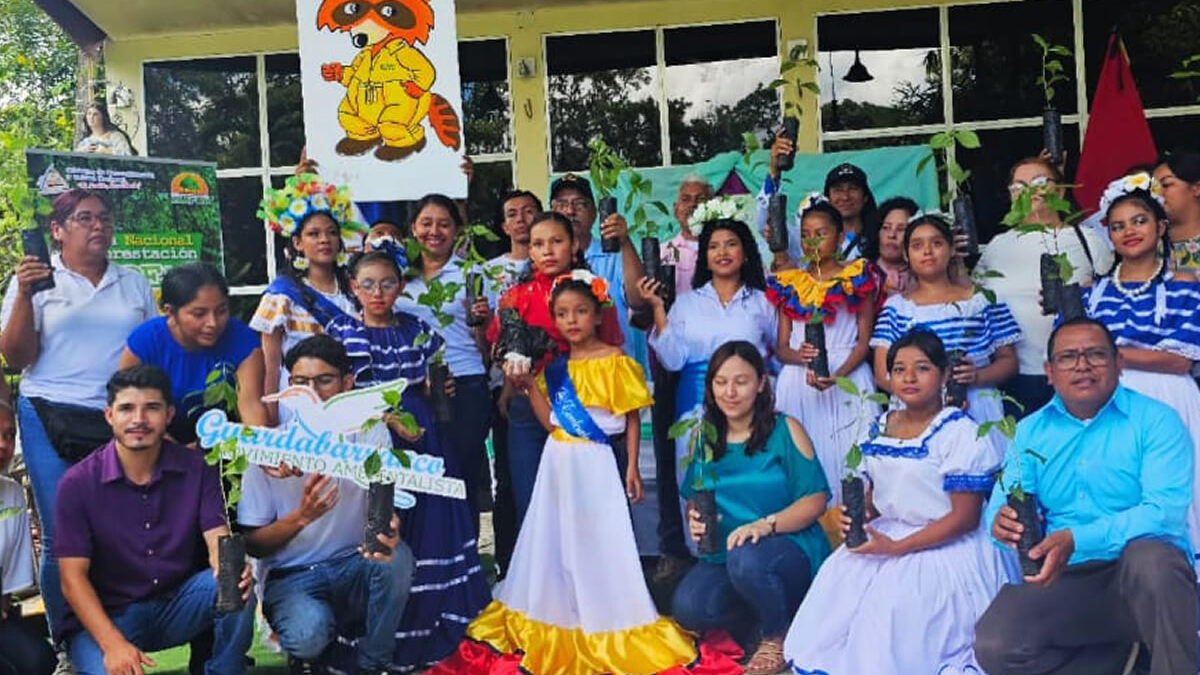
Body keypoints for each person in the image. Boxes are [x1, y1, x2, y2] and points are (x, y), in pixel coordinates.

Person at [431, 274, 741, 675]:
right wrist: (528, 387)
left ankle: (604, 610)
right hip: (558, 462)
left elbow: (630, 417)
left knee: (599, 539)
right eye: (562, 314)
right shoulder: (557, 368)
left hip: (596, 464)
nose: (571, 320)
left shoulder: (616, 360)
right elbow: (552, 424)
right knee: (555, 537)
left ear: (597, 315)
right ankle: (559, 606)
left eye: (580, 312)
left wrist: (630, 465)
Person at [975, 318, 1197, 675]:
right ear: (1048, 371)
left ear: (1118, 364)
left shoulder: (1157, 421)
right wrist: (1000, 523)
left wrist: (1077, 538)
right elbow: (1005, 501)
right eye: (1067, 357)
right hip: (1068, 576)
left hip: (1139, 574)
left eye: (1095, 354)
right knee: (997, 643)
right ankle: (1119, 658)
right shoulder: (1031, 430)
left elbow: (1164, 513)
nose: (1082, 365)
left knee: (1154, 563)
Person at [784, 329, 1011, 674]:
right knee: (837, 599)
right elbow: (881, 495)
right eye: (900, 369)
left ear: (944, 374)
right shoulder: (878, 427)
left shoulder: (957, 431)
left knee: (892, 612)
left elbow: (965, 518)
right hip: (888, 535)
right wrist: (860, 514)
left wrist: (897, 547)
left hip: (943, 544)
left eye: (922, 368)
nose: (909, 377)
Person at [0, 188, 158, 644]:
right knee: (62, 533)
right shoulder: (38, 281)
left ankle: (118, 634)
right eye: (85, 218)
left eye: (104, 219)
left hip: (118, 418)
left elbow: (147, 354)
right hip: (48, 411)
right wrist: (26, 293)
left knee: (120, 528)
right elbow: (15, 358)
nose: (98, 226)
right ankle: (66, 642)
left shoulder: (133, 282)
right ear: (57, 230)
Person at [325, 250, 489, 671]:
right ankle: (378, 631)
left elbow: (438, 370)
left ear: (400, 286)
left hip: (426, 433)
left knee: (434, 520)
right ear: (352, 287)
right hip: (373, 436)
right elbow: (348, 394)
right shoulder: (344, 331)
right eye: (367, 284)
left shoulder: (417, 328)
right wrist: (391, 418)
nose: (377, 293)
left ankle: (434, 616)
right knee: (384, 523)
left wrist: (443, 388)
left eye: (387, 283)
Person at [54, 365, 255, 674]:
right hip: (109, 616)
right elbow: (72, 580)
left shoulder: (198, 468)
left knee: (235, 584)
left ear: (169, 415)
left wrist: (228, 566)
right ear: (109, 416)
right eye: (126, 409)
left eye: (151, 408)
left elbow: (217, 537)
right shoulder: (77, 483)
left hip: (179, 602)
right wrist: (112, 644)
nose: (138, 419)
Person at [239, 336, 414, 674]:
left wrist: (391, 527)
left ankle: (373, 663)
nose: (312, 394)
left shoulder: (369, 430)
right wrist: (301, 518)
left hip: (354, 563)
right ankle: (308, 650)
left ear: (348, 383)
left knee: (396, 559)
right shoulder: (266, 448)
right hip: (293, 576)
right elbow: (253, 545)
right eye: (300, 383)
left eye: (324, 381)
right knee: (308, 635)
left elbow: (386, 506)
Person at [670, 341, 830, 675]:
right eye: (721, 382)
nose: (730, 392)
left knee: (748, 559)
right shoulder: (706, 437)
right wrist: (696, 520)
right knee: (688, 607)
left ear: (760, 384)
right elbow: (696, 498)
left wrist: (765, 525)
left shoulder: (785, 429)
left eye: (741, 381)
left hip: (787, 547)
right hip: (727, 554)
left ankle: (776, 636)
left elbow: (815, 499)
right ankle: (767, 617)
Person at [1079, 171, 1200, 568]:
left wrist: (1112, 356)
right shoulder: (1092, 292)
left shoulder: (1184, 283)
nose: (1129, 231)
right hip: (1110, 403)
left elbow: (1181, 359)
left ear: (1161, 226)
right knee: (1118, 490)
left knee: (1176, 494)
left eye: (1139, 221)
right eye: (1117, 226)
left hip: (1170, 398)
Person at [639, 209, 777, 532]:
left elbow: (777, 356)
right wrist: (658, 308)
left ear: (745, 253)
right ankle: (706, 554)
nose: (722, 252)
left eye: (731, 245)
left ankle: (751, 545)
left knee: (748, 479)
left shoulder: (762, 302)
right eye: (714, 246)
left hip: (751, 410)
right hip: (696, 406)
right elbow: (672, 360)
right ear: (705, 256)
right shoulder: (687, 304)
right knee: (701, 484)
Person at [485, 212, 625, 531]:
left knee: (589, 507)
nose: (547, 250)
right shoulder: (515, 297)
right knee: (535, 503)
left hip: (586, 409)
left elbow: (612, 347)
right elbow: (500, 347)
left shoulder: (595, 293)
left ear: (574, 245)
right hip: (530, 409)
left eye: (557, 241)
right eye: (538, 244)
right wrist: (510, 374)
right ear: (529, 251)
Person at [768, 194, 883, 503]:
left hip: (848, 375)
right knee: (805, 459)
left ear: (839, 235)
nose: (812, 241)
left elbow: (864, 341)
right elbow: (781, 346)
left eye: (821, 233)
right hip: (799, 382)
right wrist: (800, 356)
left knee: (853, 459)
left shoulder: (857, 275)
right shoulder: (789, 281)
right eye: (805, 235)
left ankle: (855, 531)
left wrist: (838, 374)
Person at [976, 157, 1112, 416]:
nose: (1029, 191)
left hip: (1078, 373)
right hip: (1014, 376)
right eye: (1018, 186)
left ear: (1060, 190)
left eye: (1039, 182)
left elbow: (1111, 294)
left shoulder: (1087, 240)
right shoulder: (997, 246)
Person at [871, 214, 1020, 449]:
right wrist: (922, 391)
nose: (928, 251)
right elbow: (882, 373)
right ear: (907, 256)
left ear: (952, 249)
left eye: (937, 243)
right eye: (917, 245)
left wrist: (978, 376)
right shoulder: (897, 308)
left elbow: (1009, 361)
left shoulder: (982, 300)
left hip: (976, 405)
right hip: (916, 410)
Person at [395, 194, 493, 527]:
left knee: (461, 474)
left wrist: (483, 321)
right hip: (412, 387)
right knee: (420, 476)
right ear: (412, 228)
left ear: (456, 231)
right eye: (426, 223)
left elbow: (488, 342)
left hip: (465, 383)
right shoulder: (398, 276)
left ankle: (466, 562)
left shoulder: (473, 273)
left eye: (444, 224)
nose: (434, 231)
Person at [648, 174, 714, 585]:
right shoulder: (663, 253)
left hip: (718, 362)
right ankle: (677, 546)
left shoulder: (726, 250)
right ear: (675, 208)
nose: (691, 205)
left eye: (700, 199)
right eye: (684, 199)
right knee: (674, 451)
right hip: (672, 359)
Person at [118, 263, 268, 445]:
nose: (212, 323)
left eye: (221, 311)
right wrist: (177, 453)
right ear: (170, 312)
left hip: (225, 444)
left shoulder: (244, 341)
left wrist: (263, 448)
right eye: (199, 314)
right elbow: (126, 408)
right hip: (155, 443)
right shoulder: (145, 341)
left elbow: (251, 406)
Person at [251, 174, 362, 418]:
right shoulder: (282, 296)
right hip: (299, 399)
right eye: (314, 234)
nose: (324, 239)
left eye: (331, 232)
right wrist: (269, 416)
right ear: (297, 242)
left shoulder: (355, 292)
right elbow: (271, 365)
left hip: (348, 398)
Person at [482, 189, 540, 579]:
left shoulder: (564, 270)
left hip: (556, 388)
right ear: (504, 226)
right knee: (510, 479)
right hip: (506, 388)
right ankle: (511, 565)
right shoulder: (487, 272)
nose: (521, 219)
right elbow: (490, 335)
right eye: (512, 214)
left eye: (529, 212)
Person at [548, 173, 647, 356]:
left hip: (611, 370)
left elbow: (639, 300)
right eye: (562, 205)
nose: (570, 211)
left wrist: (625, 242)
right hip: (561, 373)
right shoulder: (546, 261)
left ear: (595, 213)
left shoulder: (614, 254)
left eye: (579, 204)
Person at [760, 131, 877, 270]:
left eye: (853, 189)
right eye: (838, 190)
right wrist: (774, 169)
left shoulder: (879, 236)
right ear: (828, 198)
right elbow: (767, 220)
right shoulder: (805, 237)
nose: (845, 196)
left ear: (865, 197)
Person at [0, 392, 56, 675]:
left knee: (39, 660)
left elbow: (8, 588)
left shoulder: (12, 495)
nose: (3, 445)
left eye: (9, 435)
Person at [1153, 150, 1200, 271]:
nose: (1157, 194)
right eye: (1153, 188)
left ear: (1197, 188)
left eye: (1166, 184)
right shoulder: (1146, 249)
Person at [864, 196, 919, 297]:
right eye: (886, 228)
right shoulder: (862, 274)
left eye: (901, 229)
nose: (892, 235)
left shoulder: (924, 276)